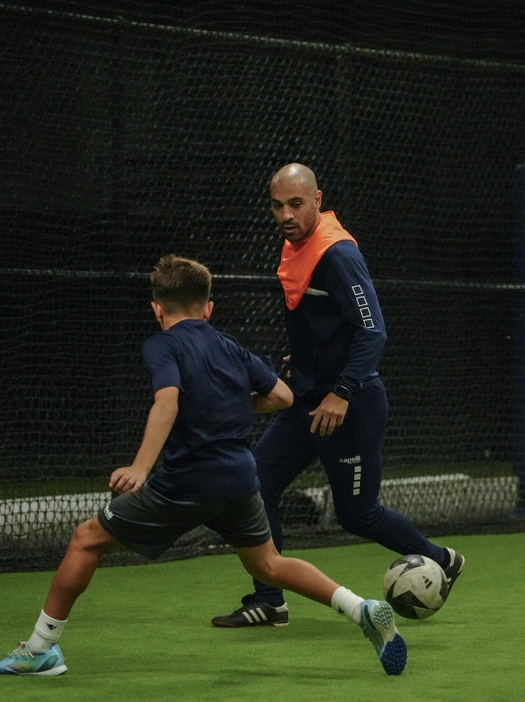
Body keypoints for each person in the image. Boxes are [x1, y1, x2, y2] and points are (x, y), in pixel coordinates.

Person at [0, 254, 407, 677]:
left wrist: (141, 467)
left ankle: (40, 649)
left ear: (157, 308)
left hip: (187, 482)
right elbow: (283, 397)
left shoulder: (161, 344)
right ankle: (360, 608)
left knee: (86, 539)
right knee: (268, 564)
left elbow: (167, 400)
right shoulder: (229, 344)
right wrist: (232, 404)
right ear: (208, 308)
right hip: (240, 478)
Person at [212, 163, 465, 629]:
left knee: (358, 514)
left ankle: (440, 560)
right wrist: (302, 364)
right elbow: (324, 324)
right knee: (254, 488)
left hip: (350, 407)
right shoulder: (297, 248)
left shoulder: (337, 254)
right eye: (277, 205)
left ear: (317, 200)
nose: (285, 214)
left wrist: (342, 391)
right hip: (306, 404)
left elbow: (373, 332)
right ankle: (270, 601)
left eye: (295, 204)